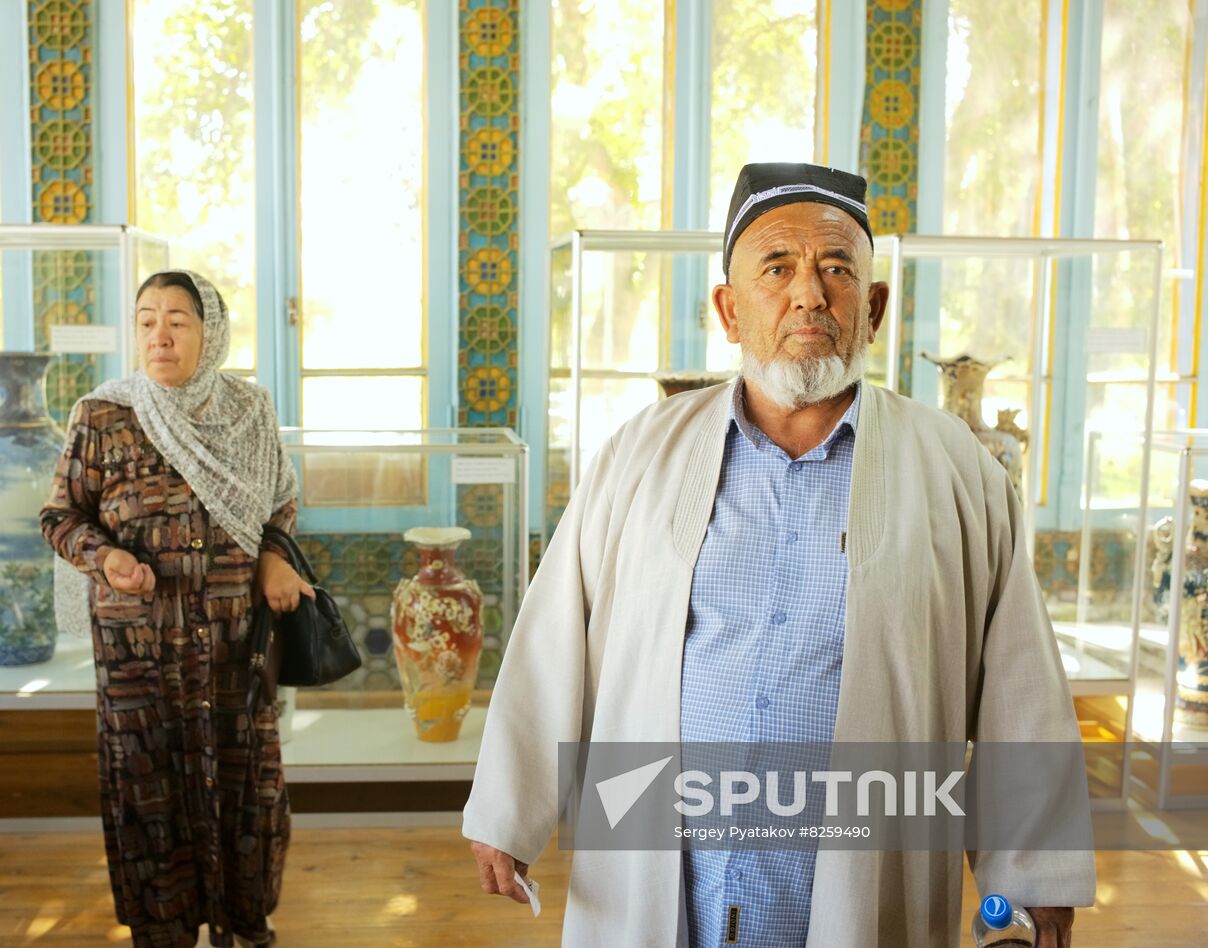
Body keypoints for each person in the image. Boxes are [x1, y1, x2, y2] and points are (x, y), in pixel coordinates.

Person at [463, 163, 1093, 946]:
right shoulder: (642, 453)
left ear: (873, 309)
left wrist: (1034, 877)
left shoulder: (956, 468)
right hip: (662, 874)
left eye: (837, 269)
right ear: (730, 311)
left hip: (860, 880)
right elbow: (554, 634)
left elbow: (1020, 683)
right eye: (777, 268)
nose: (809, 295)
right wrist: (510, 809)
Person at [41, 270, 311, 948]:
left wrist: (273, 556)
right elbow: (60, 516)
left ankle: (246, 923)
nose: (159, 336)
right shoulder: (102, 416)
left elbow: (280, 500)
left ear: (209, 333)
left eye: (178, 321)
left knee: (247, 788)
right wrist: (105, 557)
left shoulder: (248, 410)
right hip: (139, 656)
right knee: (149, 794)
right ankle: (161, 933)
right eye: (147, 320)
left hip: (233, 646)